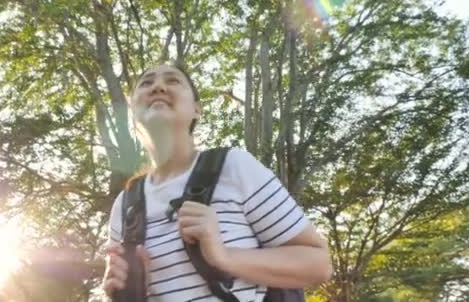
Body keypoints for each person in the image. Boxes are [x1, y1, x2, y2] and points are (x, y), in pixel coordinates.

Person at [102, 63, 332, 301]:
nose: (158, 86)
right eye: (147, 82)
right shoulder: (125, 204)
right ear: (133, 113)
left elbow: (319, 264)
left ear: (197, 110)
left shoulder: (234, 166)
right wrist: (117, 294)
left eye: (173, 81)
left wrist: (224, 257)